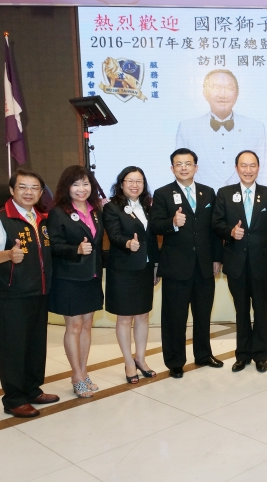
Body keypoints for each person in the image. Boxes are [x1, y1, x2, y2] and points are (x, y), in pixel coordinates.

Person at [0, 170, 59, 418]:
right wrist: (8, 255)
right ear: (12, 191)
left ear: (41, 192)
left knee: (35, 346)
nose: (29, 192)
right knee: (12, 348)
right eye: (23, 187)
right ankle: (14, 399)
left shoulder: (41, 220)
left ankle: (32, 389)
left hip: (39, 293)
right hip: (11, 295)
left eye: (34, 188)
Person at [149, 149, 223, 379]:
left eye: (188, 163)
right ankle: (175, 361)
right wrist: (172, 222)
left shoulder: (208, 192)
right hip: (176, 267)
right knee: (175, 318)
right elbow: (155, 225)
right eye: (179, 164)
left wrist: (217, 257)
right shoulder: (162, 194)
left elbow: (214, 229)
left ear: (196, 167)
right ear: (172, 168)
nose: (183, 168)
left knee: (203, 314)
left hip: (204, 266)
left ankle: (203, 355)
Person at [213, 150, 267, 373]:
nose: (248, 170)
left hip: (262, 264)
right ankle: (242, 355)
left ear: (258, 168)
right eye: (244, 165)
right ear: (236, 168)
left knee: (261, 310)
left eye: (252, 165)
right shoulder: (224, 193)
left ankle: (261, 355)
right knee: (241, 311)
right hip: (236, 264)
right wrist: (230, 232)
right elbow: (216, 224)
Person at [47, 165, 104, 398]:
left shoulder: (95, 211)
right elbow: (53, 246)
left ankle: (84, 371)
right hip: (69, 278)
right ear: (67, 187)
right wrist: (76, 250)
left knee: (87, 326)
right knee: (74, 326)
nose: (82, 189)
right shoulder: (58, 213)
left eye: (86, 183)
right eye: (76, 184)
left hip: (91, 277)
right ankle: (76, 376)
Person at [103, 166, 160, 384]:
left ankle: (141, 359)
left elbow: (152, 239)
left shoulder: (147, 206)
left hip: (145, 267)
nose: (135, 185)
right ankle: (128, 362)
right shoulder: (112, 207)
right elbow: (113, 235)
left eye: (139, 181)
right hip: (123, 269)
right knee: (125, 317)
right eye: (130, 181)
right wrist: (127, 243)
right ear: (121, 183)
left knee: (143, 315)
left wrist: (156, 265)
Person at [176, 69, 266, 189]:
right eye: (216, 87)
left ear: (237, 93)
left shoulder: (255, 127)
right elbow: (180, 172)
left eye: (229, 88)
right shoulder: (187, 128)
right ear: (205, 93)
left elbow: (262, 171)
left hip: (244, 198)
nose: (223, 94)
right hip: (202, 198)